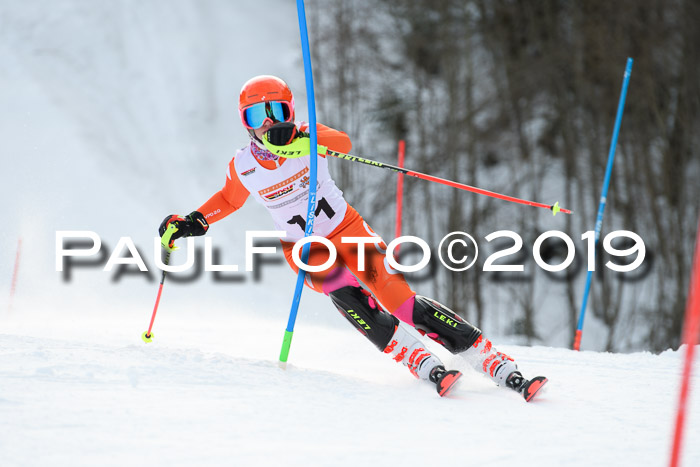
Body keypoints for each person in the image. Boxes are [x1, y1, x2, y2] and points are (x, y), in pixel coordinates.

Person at [159, 75, 547, 400]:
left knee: (401, 301)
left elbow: (343, 143)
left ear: (290, 112)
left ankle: (490, 359)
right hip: (305, 246)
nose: (267, 122)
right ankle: (417, 358)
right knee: (344, 292)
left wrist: (303, 139)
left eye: (277, 111)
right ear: (245, 122)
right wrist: (195, 220)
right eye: (257, 114)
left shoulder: (308, 138)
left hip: (348, 229)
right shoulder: (243, 165)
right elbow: (229, 198)